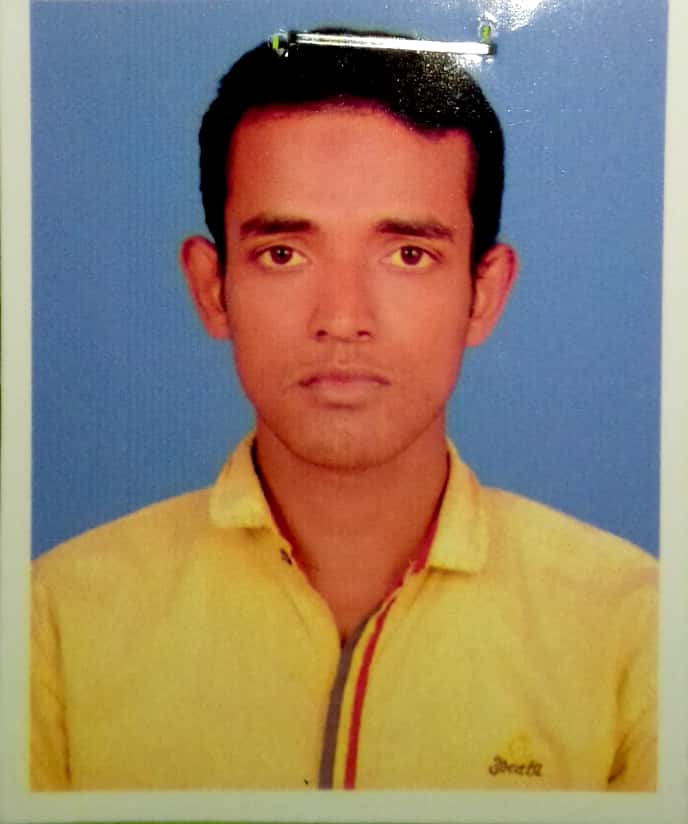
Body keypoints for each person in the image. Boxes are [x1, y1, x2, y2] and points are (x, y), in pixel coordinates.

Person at [31, 29, 657, 792]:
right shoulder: (53, 620)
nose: (342, 319)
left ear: (484, 294)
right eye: (283, 253)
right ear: (211, 288)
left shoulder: (638, 630)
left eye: (408, 255)